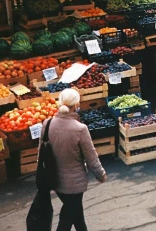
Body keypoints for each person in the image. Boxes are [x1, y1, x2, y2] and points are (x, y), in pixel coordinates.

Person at [41, 89, 106, 231]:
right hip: (75, 184)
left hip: (54, 179)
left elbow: (41, 154)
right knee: (67, 219)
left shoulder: (47, 124)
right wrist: (100, 175)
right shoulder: (80, 129)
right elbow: (91, 157)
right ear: (77, 104)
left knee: (76, 214)